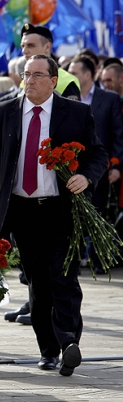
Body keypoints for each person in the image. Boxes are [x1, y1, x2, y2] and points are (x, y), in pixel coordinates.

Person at [0, 55, 108, 377]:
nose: (31, 80)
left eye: (38, 75)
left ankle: (69, 341)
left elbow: (98, 153)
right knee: (39, 284)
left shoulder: (76, 112)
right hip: (22, 210)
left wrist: (87, 177)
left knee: (64, 278)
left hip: (61, 208)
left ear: (54, 81)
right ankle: (48, 351)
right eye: (26, 74)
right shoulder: (4, 112)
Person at [68, 55, 123, 273]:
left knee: (98, 213)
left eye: (75, 72)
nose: (71, 76)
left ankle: (99, 260)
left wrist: (116, 165)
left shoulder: (108, 98)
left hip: (100, 167)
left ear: (89, 74)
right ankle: (76, 258)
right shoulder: (67, 97)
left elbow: (118, 134)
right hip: (71, 167)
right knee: (75, 215)